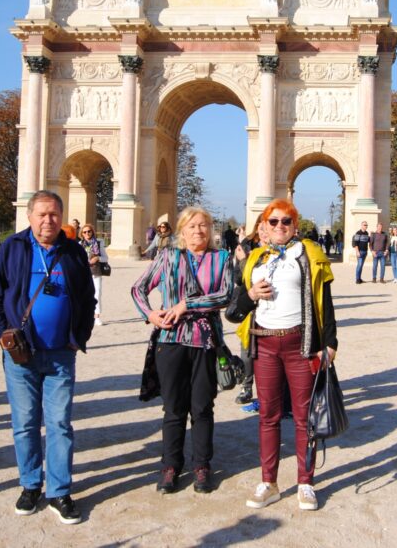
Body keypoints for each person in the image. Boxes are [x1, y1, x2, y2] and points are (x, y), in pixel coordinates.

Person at [0, 190, 95, 524]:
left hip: (62, 353)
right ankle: (31, 484)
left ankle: (59, 490)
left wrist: (80, 338)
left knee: (60, 424)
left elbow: (88, 299)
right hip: (21, 354)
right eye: (42, 214)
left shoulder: (74, 251)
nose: (48, 220)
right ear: (30, 216)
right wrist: (5, 335)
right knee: (25, 423)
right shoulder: (12, 247)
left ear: (62, 217)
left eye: (54, 214)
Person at [226, 199, 337, 512]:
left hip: (299, 345)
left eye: (285, 221)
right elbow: (234, 312)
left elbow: (324, 301)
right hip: (265, 345)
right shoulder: (254, 259)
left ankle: (305, 482)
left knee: (305, 418)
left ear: (295, 225)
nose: (279, 227)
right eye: (272, 222)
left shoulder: (310, 254)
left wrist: (330, 341)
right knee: (268, 416)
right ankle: (269, 482)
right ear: (263, 226)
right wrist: (249, 296)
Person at [131, 206, 233, 496]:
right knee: (173, 408)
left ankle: (202, 465)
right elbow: (138, 289)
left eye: (203, 226)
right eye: (191, 226)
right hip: (171, 340)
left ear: (211, 230)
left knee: (202, 407)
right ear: (181, 231)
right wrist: (150, 314)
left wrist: (186, 304)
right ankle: (170, 465)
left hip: (205, 341)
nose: (197, 231)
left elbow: (225, 295)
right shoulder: (167, 257)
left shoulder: (221, 258)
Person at [232, 215, 264, 407]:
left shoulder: (281, 248)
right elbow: (238, 278)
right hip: (249, 305)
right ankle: (246, 386)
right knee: (247, 350)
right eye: (263, 225)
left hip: (272, 306)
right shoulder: (246, 245)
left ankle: (270, 391)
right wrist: (244, 262)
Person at [80, 223, 108, 327]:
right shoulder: (79, 244)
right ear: (82, 234)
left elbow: (106, 258)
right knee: (83, 295)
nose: (87, 233)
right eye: (85, 232)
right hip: (83, 272)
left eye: (89, 231)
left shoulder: (99, 243)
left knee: (97, 294)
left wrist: (98, 258)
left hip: (96, 271)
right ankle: (85, 316)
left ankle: (97, 317)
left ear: (92, 232)